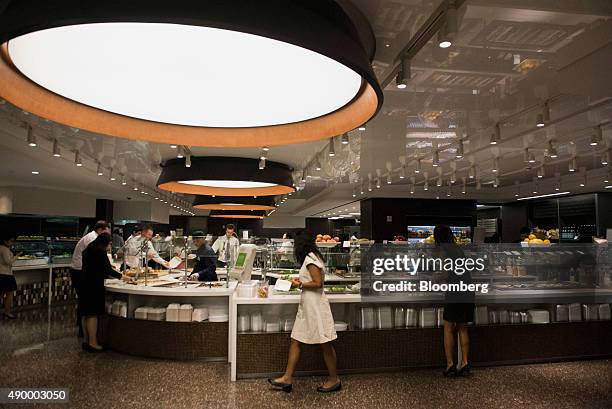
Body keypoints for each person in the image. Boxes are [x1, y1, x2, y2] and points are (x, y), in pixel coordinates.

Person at [268, 230, 340, 393]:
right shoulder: (314, 257)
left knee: (325, 343)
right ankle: (287, 378)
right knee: (296, 340)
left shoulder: (310, 259)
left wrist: (298, 284)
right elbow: (312, 280)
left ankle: (334, 379)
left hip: (315, 307)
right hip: (308, 306)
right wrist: (300, 280)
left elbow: (317, 283)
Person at [434, 225, 474, 377]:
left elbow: (445, 272)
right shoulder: (458, 248)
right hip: (467, 289)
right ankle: (464, 362)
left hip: (455, 291)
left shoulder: (443, 250)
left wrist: (433, 279)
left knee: (449, 328)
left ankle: (450, 364)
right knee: (463, 327)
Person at [80, 233, 124, 352]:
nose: (110, 246)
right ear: (106, 242)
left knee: (85, 313)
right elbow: (107, 269)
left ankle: (85, 340)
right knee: (93, 314)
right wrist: (122, 277)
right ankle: (93, 343)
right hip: (94, 285)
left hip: (84, 283)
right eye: (109, 243)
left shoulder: (89, 248)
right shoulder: (100, 250)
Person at [70, 220, 110, 335]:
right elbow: (96, 258)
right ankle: (84, 332)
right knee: (87, 304)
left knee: (84, 302)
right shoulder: (92, 239)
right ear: (100, 230)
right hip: (80, 272)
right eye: (106, 232)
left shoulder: (94, 238)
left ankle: (84, 332)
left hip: (82, 271)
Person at [0, 233, 18, 319]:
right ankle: (7, 312)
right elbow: (8, 262)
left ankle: (6, 312)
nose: (12, 243)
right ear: (5, 241)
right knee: (9, 295)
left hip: (2, 274)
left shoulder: (1, 248)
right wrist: (16, 257)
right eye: (11, 241)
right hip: (6, 275)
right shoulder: (5, 249)